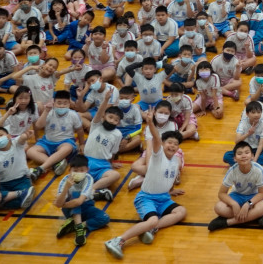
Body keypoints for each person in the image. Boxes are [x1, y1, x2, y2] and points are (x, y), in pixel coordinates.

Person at [104, 110, 186, 258]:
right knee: (152, 220)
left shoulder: (176, 161)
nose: (172, 146)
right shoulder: (158, 155)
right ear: (163, 144)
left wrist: (171, 190)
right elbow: (156, 138)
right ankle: (117, 240)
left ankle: (150, 228)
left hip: (163, 198)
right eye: (169, 143)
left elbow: (171, 177)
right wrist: (149, 122)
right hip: (146, 198)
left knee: (181, 211)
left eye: (176, 144)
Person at [209, 140, 263, 230]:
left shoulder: (259, 170)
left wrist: (248, 204)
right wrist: (233, 204)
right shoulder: (232, 171)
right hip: (237, 195)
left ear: (252, 156)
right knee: (218, 207)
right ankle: (254, 217)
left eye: (247, 152)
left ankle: (227, 222)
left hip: (254, 196)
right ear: (234, 158)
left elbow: (262, 193)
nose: (243, 156)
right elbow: (221, 194)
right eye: (239, 153)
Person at [54, 154, 110, 246]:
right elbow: (59, 203)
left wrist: (62, 204)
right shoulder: (64, 181)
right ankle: (79, 230)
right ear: (69, 170)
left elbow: (79, 201)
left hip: (86, 206)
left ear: (87, 170)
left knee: (104, 218)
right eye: (75, 171)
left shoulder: (88, 179)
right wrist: (66, 188)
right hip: (70, 210)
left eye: (82, 170)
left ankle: (76, 225)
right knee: (76, 195)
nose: (78, 173)